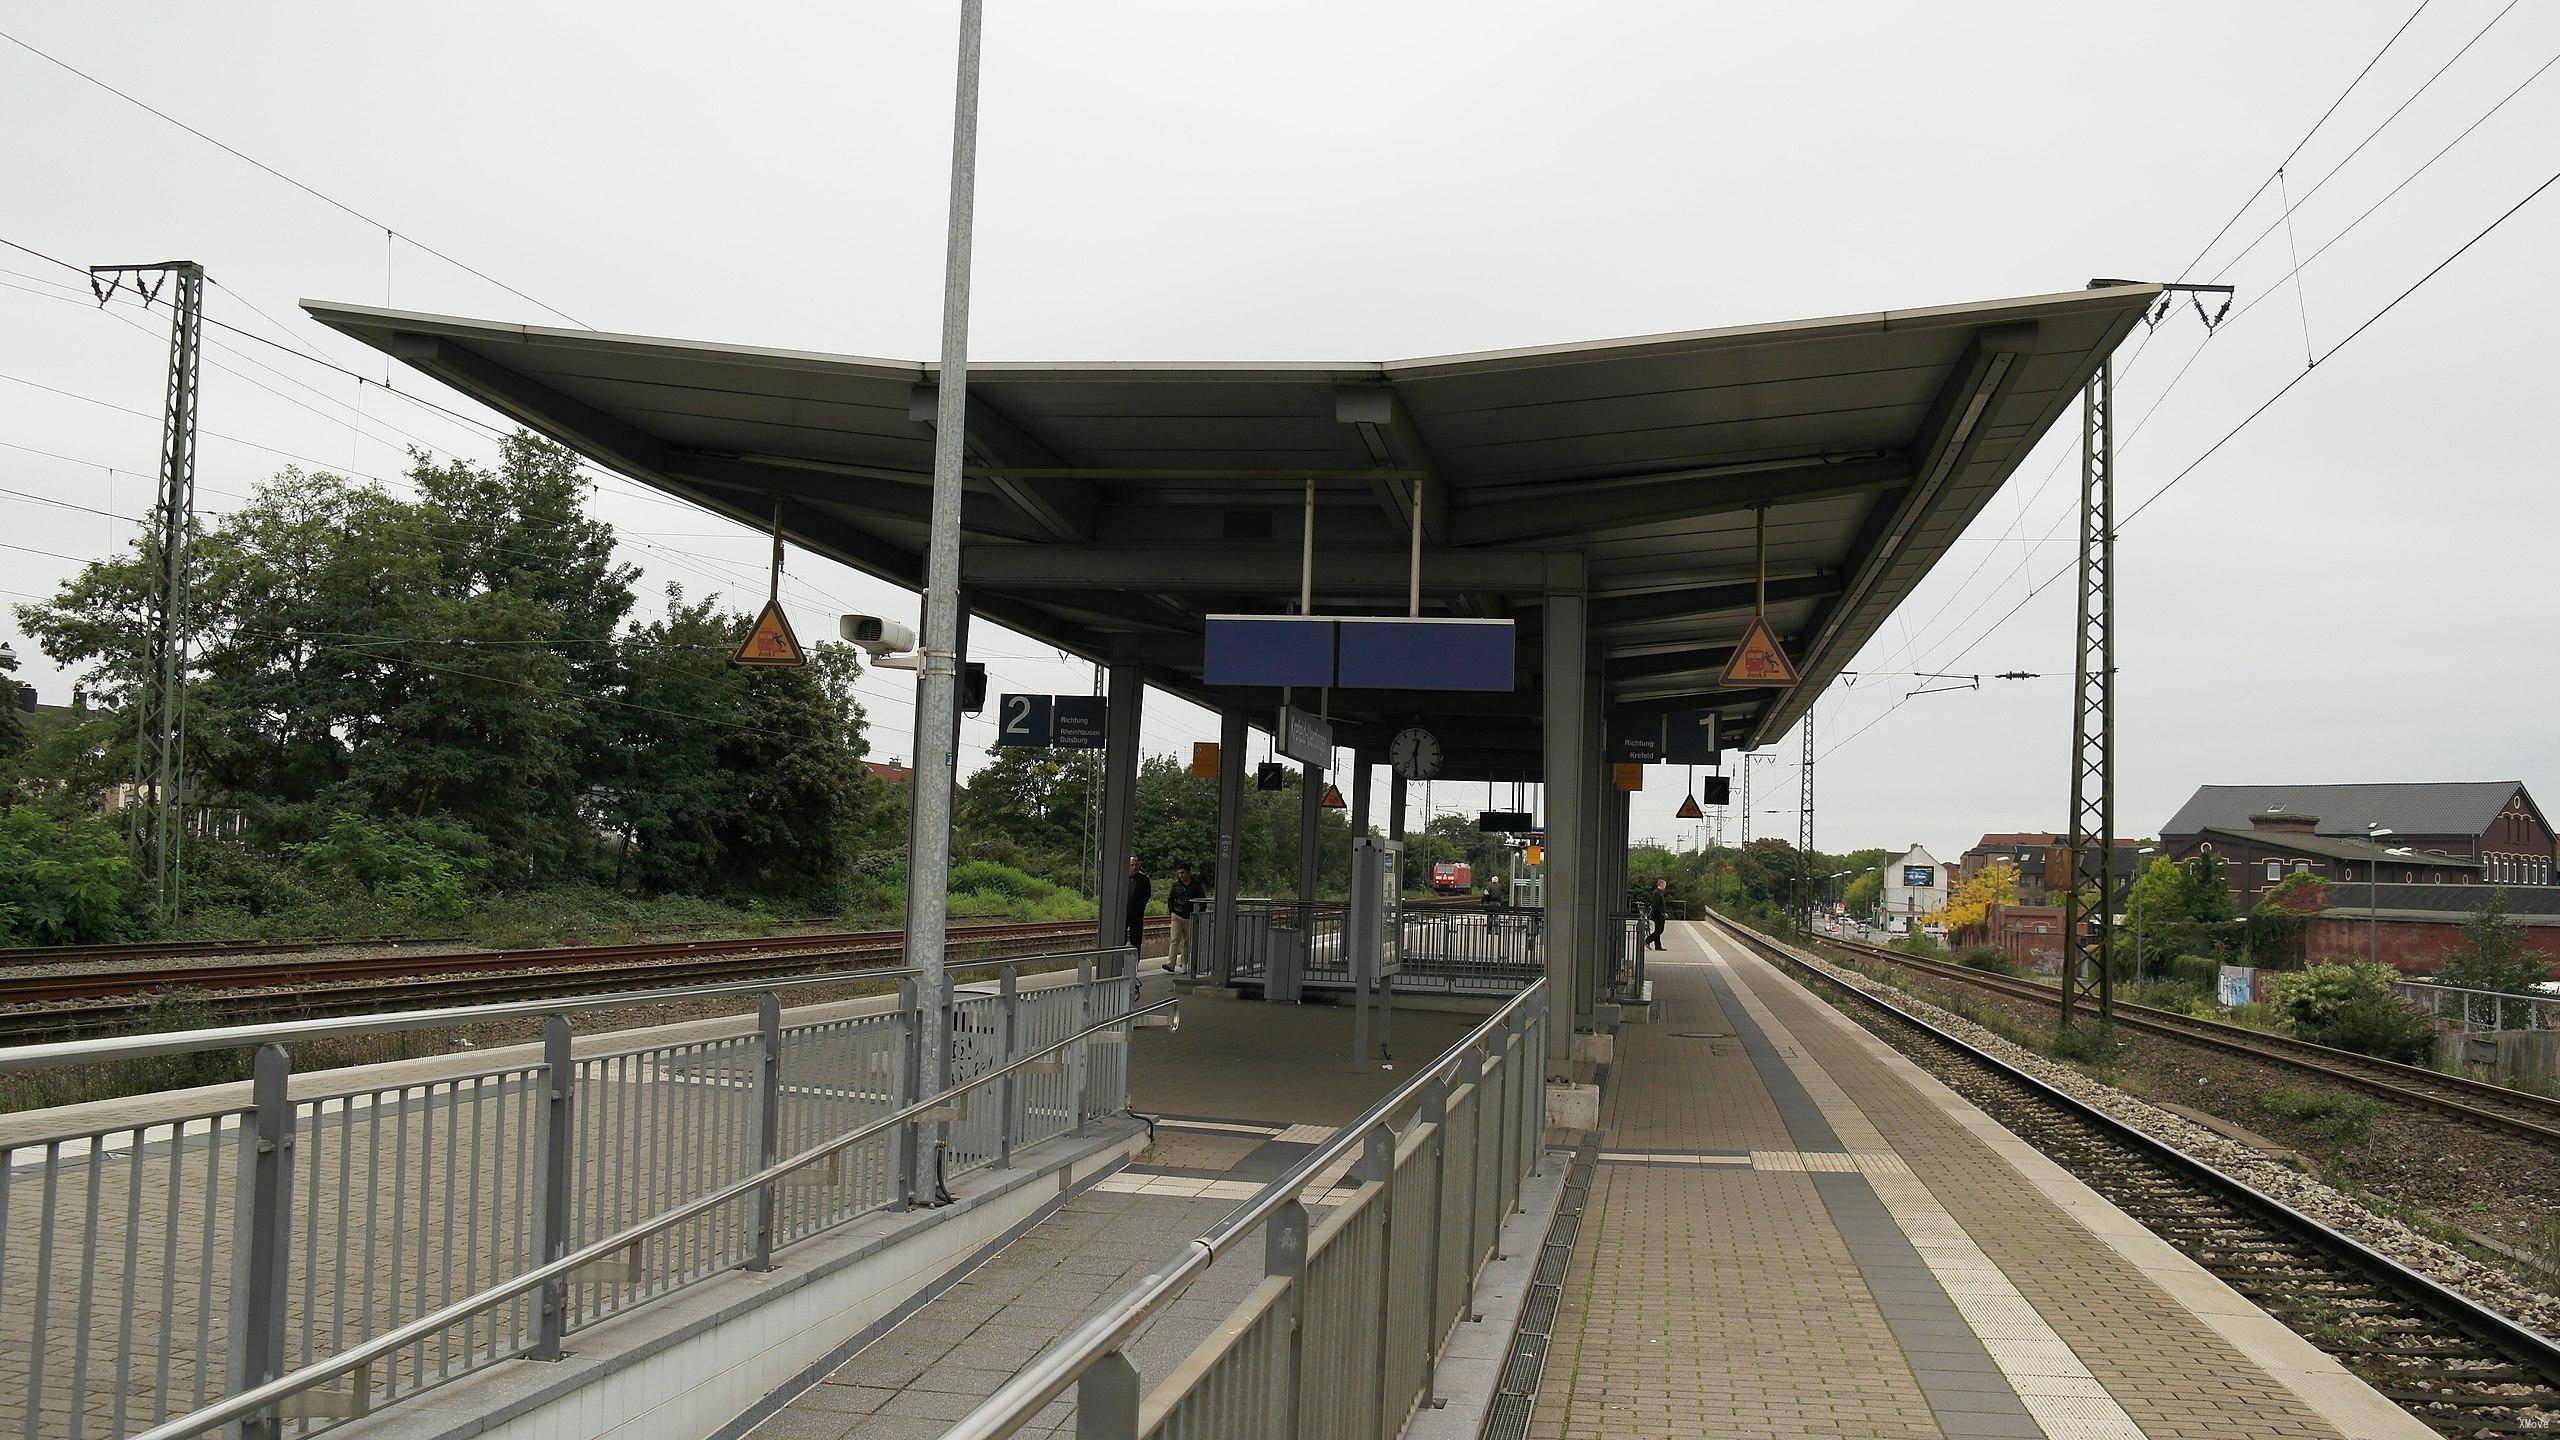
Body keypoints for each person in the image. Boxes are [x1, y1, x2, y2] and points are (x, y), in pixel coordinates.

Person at [1166, 862, 1206, 971]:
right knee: (1174, 939)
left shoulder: (1196, 885)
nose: (1180, 875)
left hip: (1190, 916)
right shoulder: (1176, 885)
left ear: (1188, 872)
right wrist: (1171, 912)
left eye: (1182, 873)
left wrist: (1200, 913)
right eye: (1179, 873)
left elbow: (1202, 900)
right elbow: (1170, 898)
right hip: (1177, 915)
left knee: (1187, 941)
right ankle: (1171, 962)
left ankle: (1184, 963)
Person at [1124, 855, 1151, 953]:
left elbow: (1147, 894)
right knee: (1121, 937)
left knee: (1136, 938)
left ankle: (1135, 959)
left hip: (1137, 913)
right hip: (1124, 913)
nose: (1134, 867)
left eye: (1136, 865)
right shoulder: (1123, 878)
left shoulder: (1143, 878)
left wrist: (1141, 905)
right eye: (1132, 865)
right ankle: (1121, 960)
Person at [1646, 878, 1670, 950]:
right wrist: (1662, 913)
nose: (1665, 887)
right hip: (1658, 915)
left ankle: (1658, 946)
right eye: (1665, 885)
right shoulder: (1657, 893)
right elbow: (1656, 905)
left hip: (1658, 914)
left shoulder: (1657, 892)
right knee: (1660, 930)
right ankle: (1647, 940)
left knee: (1657, 930)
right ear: (1661, 885)